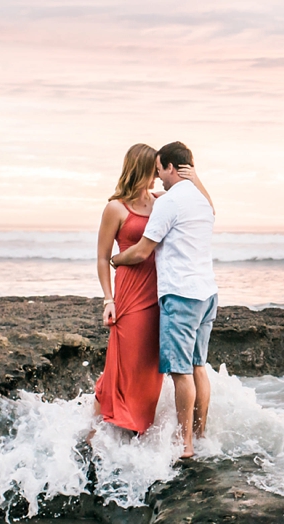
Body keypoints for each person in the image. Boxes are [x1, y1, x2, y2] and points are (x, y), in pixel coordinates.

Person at [110, 141, 218, 458]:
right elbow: (212, 209)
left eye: (159, 169)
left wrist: (116, 260)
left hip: (181, 296)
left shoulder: (168, 204)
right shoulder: (201, 200)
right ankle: (200, 435)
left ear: (171, 167)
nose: (157, 176)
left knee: (181, 373)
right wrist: (196, 179)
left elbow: (143, 250)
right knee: (199, 367)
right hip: (207, 294)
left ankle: (184, 445)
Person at [93, 143, 163, 435]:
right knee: (126, 361)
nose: (158, 176)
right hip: (130, 294)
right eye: (154, 170)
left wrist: (193, 176)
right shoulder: (115, 208)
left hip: (159, 293)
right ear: (141, 169)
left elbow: (204, 207)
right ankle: (107, 425)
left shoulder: (162, 202)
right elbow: (101, 257)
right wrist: (108, 299)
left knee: (150, 367)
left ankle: (139, 429)